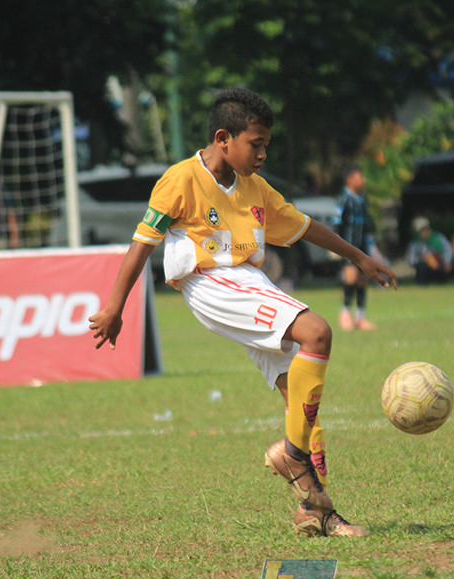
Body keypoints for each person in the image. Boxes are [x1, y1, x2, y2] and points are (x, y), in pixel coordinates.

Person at [88, 88, 398, 538]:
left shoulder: (255, 188)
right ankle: (292, 455)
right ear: (223, 138)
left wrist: (359, 258)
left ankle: (315, 511)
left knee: (301, 402)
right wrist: (115, 308)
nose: (263, 154)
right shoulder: (180, 180)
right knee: (318, 333)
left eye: (266, 145)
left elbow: (304, 226)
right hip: (212, 282)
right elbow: (142, 246)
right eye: (256, 144)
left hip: (251, 284)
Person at [335, 163, 378, 331]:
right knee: (350, 278)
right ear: (350, 179)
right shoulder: (344, 199)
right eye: (360, 176)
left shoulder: (363, 199)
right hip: (348, 248)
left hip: (363, 248)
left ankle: (360, 318)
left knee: (362, 280)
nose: (364, 180)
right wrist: (336, 247)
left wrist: (371, 244)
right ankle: (345, 314)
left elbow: (367, 225)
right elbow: (337, 223)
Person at [407, 216, 454, 285]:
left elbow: (448, 249)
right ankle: (422, 286)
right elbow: (411, 260)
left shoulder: (438, 237)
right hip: (429, 269)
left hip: (443, 265)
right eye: (422, 230)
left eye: (426, 229)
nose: (425, 232)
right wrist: (422, 259)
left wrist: (447, 261)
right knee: (420, 267)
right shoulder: (414, 244)